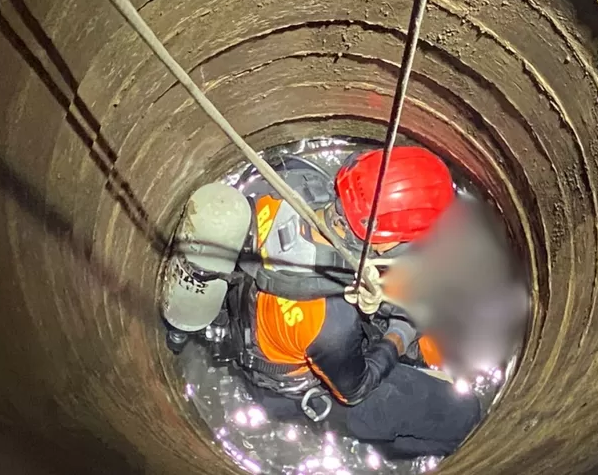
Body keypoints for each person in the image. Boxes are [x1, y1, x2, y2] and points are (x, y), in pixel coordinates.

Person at [164, 145, 481, 459]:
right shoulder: (332, 322)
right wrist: (401, 332)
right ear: (385, 242)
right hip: (296, 387)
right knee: (462, 414)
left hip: (254, 325)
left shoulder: (285, 185)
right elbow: (354, 389)